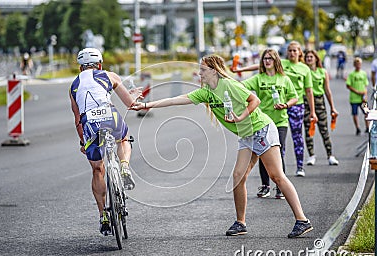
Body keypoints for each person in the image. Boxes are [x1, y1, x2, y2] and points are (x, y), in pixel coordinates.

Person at [130, 54, 313, 238]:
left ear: (213, 70)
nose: (199, 73)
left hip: (261, 130)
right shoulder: (206, 93)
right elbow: (176, 100)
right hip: (246, 135)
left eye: (202, 70)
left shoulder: (229, 85)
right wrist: (146, 105)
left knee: (276, 176)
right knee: (237, 176)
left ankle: (302, 220)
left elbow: (254, 101)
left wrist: (240, 117)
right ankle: (240, 223)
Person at [69, 48, 140, 235]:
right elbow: (131, 104)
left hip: (89, 123)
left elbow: (77, 119)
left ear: (80, 68)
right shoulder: (109, 75)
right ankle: (124, 166)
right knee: (123, 138)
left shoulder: (73, 86)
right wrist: (134, 95)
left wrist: (82, 141)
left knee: (97, 168)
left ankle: (104, 215)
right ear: (99, 64)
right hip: (110, 116)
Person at [233, 41, 317, 177]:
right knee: (271, 148)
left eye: (295, 50)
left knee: (296, 137)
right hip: (272, 110)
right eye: (290, 50)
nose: (292, 53)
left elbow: (309, 91)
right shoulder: (280, 63)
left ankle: (299, 166)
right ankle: (270, 180)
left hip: (296, 105)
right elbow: (259, 65)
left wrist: (312, 111)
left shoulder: (304, 69)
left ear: (300, 52)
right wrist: (240, 70)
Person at [241, 49, 298, 199]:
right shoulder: (259, 78)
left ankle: (280, 187)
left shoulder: (284, 79)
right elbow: (241, 86)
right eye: (265, 59)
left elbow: (294, 97)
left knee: (279, 153)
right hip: (263, 123)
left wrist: (285, 105)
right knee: (262, 152)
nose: (267, 61)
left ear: (276, 61)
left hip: (280, 121)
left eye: (270, 59)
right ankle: (265, 185)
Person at [304, 50, 339, 166]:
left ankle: (330, 155)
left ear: (316, 59)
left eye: (311, 57)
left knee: (324, 130)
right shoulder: (304, 71)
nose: (309, 59)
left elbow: (327, 91)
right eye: (307, 57)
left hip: (320, 102)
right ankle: (311, 155)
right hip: (307, 102)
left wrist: (332, 107)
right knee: (309, 129)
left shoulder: (322, 72)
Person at [346, 57, 369, 135]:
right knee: (355, 113)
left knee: (366, 112)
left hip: (362, 98)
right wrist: (357, 92)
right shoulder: (352, 74)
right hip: (354, 98)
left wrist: (365, 95)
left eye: (359, 64)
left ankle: (367, 127)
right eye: (357, 64)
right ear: (354, 65)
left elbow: (366, 85)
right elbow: (348, 85)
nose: (358, 65)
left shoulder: (364, 73)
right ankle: (357, 128)